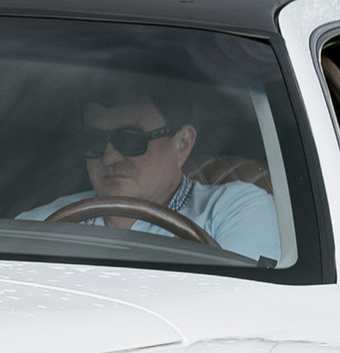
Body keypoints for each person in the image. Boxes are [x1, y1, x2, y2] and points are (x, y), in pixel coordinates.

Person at [23, 83, 280, 262]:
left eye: (131, 139)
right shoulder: (45, 222)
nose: (110, 157)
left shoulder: (235, 210)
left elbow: (237, 305)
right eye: (93, 141)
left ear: (182, 144)